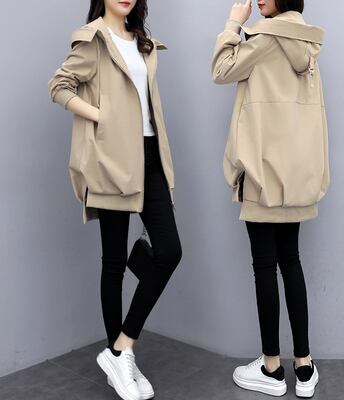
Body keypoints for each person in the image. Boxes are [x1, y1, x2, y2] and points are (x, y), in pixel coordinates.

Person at [47, 1, 182, 399]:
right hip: (111, 158)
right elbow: (59, 86)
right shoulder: (94, 40)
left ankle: (120, 348)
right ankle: (119, 362)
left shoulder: (142, 41)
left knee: (170, 251)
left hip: (149, 156)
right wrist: (102, 116)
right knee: (114, 261)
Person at [211, 0, 330, 397]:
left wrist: (234, 23)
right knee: (290, 261)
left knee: (265, 266)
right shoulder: (308, 45)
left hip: (263, 173)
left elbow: (221, 70)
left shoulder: (263, 39)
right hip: (297, 176)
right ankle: (305, 366)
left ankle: (271, 368)